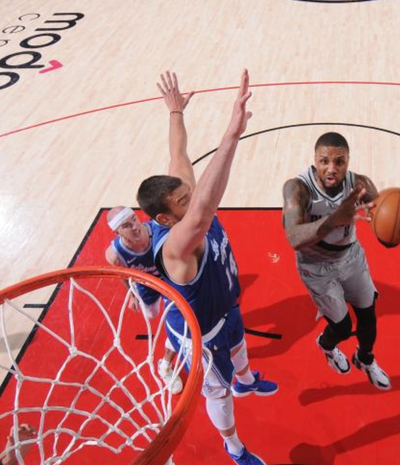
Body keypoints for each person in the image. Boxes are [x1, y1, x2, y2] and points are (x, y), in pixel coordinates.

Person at [136, 70, 277, 465]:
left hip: (226, 308)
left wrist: (175, 112)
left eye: (189, 192)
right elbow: (202, 211)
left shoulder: (179, 200)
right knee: (218, 392)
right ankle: (235, 448)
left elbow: (179, 154)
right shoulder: (177, 247)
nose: (193, 196)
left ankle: (246, 381)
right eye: (185, 200)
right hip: (200, 333)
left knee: (240, 343)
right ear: (165, 219)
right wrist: (231, 135)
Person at [281, 132, 400, 390]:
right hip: (316, 268)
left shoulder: (360, 185)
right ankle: (326, 346)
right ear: (315, 160)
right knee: (342, 327)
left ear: (348, 161)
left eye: (339, 161)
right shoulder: (297, 188)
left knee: (368, 316)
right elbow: (294, 238)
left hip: (351, 257)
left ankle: (365, 359)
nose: (331, 168)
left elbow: (383, 231)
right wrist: (334, 219)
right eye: (324, 161)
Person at [105, 206, 183, 395]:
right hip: (146, 285)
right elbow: (123, 275)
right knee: (151, 314)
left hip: (170, 280)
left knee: (179, 325)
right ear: (117, 232)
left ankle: (165, 365)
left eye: (134, 219)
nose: (134, 226)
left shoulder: (159, 230)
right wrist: (131, 294)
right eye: (126, 225)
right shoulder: (114, 255)